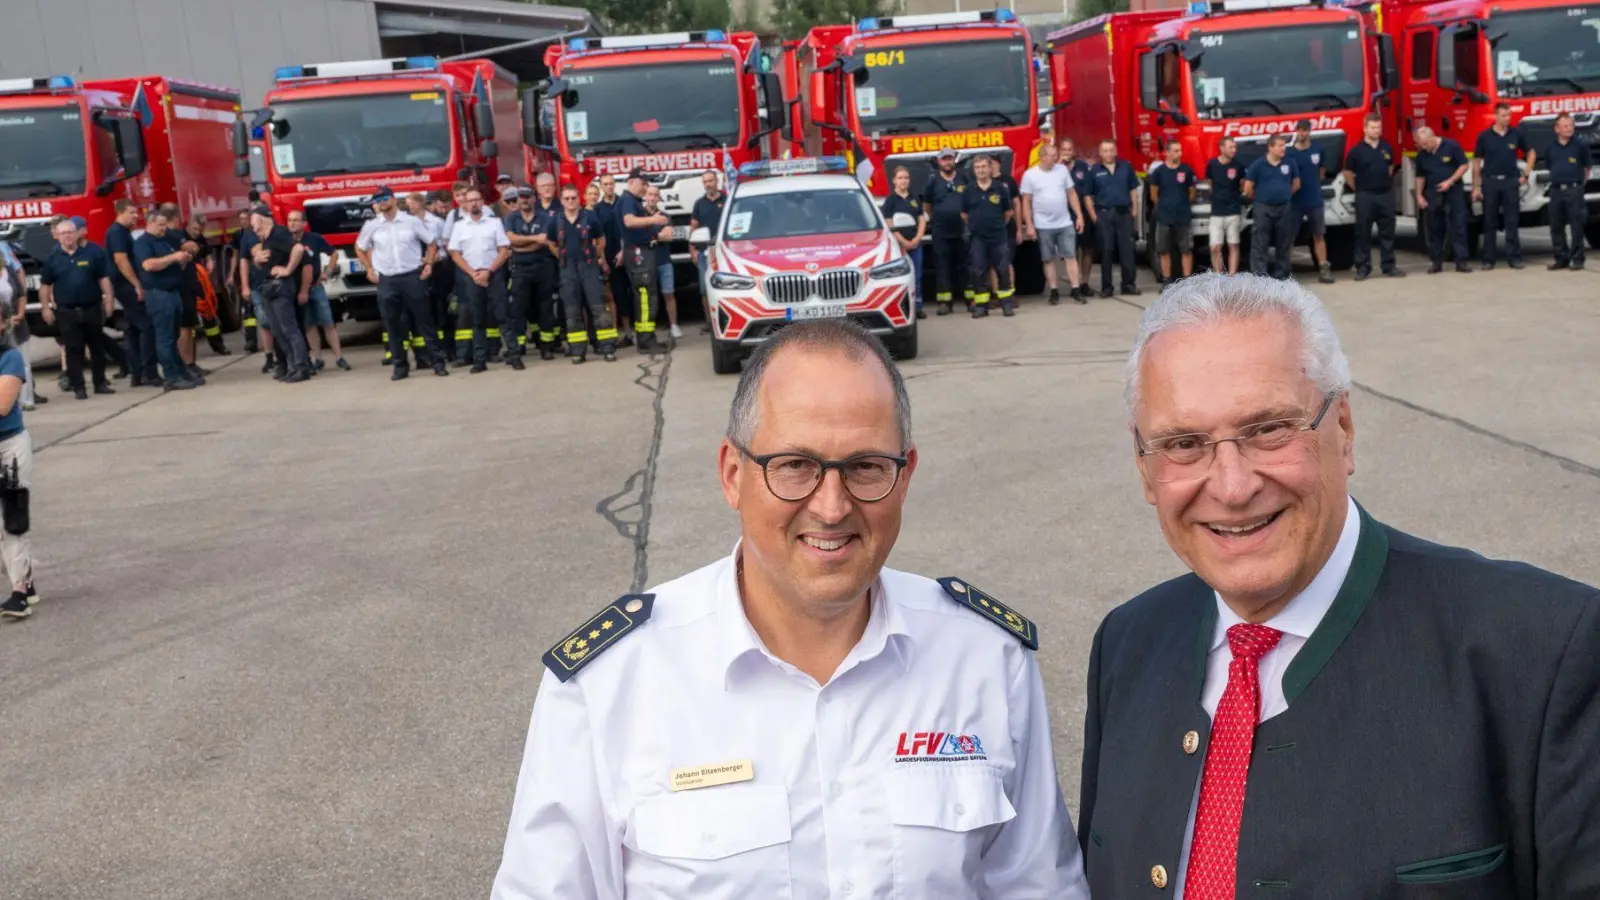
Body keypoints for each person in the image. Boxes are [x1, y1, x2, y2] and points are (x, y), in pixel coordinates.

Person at [490, 319, 1089, 899]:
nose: (831, 507)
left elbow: (1039, 886)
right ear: (732, 475)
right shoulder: (609, 687)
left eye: (865, 467)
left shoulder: (985, 660)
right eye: (795, 466)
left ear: (904, 479)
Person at [1078, 271, 1600, 898]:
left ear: (1344, 430)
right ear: (1144, 467)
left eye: (1269, 429)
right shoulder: (1128, 645)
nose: (1233, 484)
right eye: (1184, 444)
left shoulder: (1542, 650)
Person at [355, 186, 447, 381]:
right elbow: (360, 248)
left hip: (412, 276)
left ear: (394, 200)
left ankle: (438, 362)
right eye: (378, 199)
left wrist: (429, 263)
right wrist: (369, 269)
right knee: (393, 323)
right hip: (387, 279)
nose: (382, 202)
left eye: (385, 198)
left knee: (425, 321)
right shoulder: (372, 225)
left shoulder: (411, 221)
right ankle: (400, 366)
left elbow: (432, 243)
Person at [38, 219, 116, 399]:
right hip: (67, 311)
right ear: (57, 236)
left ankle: (100, 382)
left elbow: (103, 278)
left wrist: (109, 300)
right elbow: (45, 285)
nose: (67, 236)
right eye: (63, 233)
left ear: (77, 234)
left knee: (97, 347)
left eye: (70, 233)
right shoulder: (52, 259)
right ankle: (79, 386)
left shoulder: (91, 253)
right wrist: (45, 308)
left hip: (92, 308)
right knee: (74, 349)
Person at [546, 182, 617, 363]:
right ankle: (578, 350)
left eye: (574, 198)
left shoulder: (590, 218)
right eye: (567, 198)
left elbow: (601, 240)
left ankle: (607, 346)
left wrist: (596, 256)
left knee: (599, 307)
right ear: (561, 201)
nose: (570, 201)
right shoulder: (555, 220)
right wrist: (562, 256)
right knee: (572, 310)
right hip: (567, 270)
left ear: (579, 199)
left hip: (589, 267)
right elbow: (551, 243)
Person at [133, 209, 202, 391]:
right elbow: (148, 264)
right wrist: (173, 258)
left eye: (165, 224)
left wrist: (183, 259)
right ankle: (171, 376)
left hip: (173, 292)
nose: (164, 229)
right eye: (161, 225)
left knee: (174, 336)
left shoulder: (165, 240)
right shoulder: (143, 243)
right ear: (150, 223)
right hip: (158, 294)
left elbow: (174, 258)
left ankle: (180, 371)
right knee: (164, 338)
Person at [448, 188, 513, 373]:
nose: (473, 204)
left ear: (482, 202)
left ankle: (514, 356)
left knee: (502, 316)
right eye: (469, 201)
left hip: (493, 275)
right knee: (477, 321)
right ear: (465, 204)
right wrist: (473, 273)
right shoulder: (459, 226)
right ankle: (479, 361)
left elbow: (504, 250)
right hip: (472, 278)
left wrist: (488, 271)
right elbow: (455, 254)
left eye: (476, 200)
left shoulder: (494, 223)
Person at [0, 322, 39, 620]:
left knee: (12, 518)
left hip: (9, 446)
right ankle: (26, 577)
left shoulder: (9, 358)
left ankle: (19, 593)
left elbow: (2, 404)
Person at [1341, 113, 1405, 281]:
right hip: (1365, 196)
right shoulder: (1356, 151)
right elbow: (1348, 172)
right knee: (1363, 233)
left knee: (1388, 231)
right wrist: (1358, 188)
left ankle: (1389, 266)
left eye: (1378, 128)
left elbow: (1391, 167)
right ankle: (1363, 267)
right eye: (1373, 127)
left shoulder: (1386, 147)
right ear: (1365, 129)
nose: (1376, 131)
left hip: (1385, 194)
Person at [1019, 142, 1085, 304]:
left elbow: (1071, 193)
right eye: (1051, 155)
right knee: (1048, 259)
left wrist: (1079, 216)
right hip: (1043, 225)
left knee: (1070, 255)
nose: (1055, 158)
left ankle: (1076, 288)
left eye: (1055, 155)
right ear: (1042, 157)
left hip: (1064, 223)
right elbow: (1026, 202)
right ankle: (1054, 290)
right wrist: (1029, 224)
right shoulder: (1030, 175)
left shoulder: (1062, 170)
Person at [510, 174, 563, 359]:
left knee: (545, 308)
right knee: (519, 308)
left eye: (527, 197)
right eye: (521, 197)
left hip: (543, 267)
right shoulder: (512, 218)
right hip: (520, 270)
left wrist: (520, 246)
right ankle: (518, 348)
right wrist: (533, 240)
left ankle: (546, 347)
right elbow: (510, 240)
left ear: (534, 198)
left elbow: (545, 241)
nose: (524, 201)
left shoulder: (544, 217)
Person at [1472, 102, 1531, 270]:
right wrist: (1476, 186)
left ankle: (1514, 257)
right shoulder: (1484, 136)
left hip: (1510, 181)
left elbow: (1530, 152)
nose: (1507, 118)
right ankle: (1488, 259)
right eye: (1504, 115)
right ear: (1496, 116)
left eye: (1509, 115)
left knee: (1511, 220)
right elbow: (1477, 162)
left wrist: (1526, 173)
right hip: (1490, 182)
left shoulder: (1516, 134)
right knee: (1489, 221)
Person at [106, 200, 159, 387]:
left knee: (133, 329)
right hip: (126, 286)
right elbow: (121, 260)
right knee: (147, 325)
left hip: (125, 285)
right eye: (131, 212)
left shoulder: (123, 232)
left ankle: (136, 373)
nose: (136, 216)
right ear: (120, 212)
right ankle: (149, 371)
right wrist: (136, 284)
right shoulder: (116, 233)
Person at [288, 210, 347, 372]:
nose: (292, 223)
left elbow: (333, 253)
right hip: (299, 290)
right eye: (289, 220)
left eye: (295, 220)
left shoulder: (314, 238)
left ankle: (339, 357)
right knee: (309, 325)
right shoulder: (286, 240)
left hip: (316, 288)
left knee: (328, 323)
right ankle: (318, 359)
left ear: (304, 223)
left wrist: (328, 272)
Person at [618, 168, 670, 352]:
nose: (645, 187)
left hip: (643, 252)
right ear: (632, 181)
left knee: (647, 296)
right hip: (639, 254)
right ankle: (647, 340)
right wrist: (653, 220)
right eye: (643, 183)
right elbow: (629, 222)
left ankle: (646, 337)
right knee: (645, 297)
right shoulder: (627, 201)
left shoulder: (633, 201)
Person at [960, 156, 1015, 317]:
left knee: (1003, 270)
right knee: (978, 271)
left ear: (990, 169)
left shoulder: (1000, 188)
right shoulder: (968, 190)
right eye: (977, 167)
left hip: (998, 237)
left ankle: (1006, 304)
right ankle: (981, 306)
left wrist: (996, 226)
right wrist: (976, 226)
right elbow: (964, 214)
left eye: (984, 167)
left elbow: (1008, 212)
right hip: (978, 238)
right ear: (974, 170)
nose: (981, 170)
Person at [1085, 139, 1139, 298]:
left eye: (1111, 150)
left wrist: (1134, 209)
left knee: (1127, 250)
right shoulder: (1094, 171)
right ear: (1100, 153)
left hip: (1124, 213)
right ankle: (1107, 287)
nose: (1108, 153)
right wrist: (1094, 217)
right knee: (1106, 251)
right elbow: (1088, 196)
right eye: (1105, 151)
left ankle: (1128, 285)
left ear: (1116, 151)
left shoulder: (1126, 168)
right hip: (1104, 214)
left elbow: (1133, 190)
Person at [1412, 126, 1471, 274]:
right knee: (1434, 228)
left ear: (1433, 137)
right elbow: (1420, 176)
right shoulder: (1422, 156)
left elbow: (1464, 165)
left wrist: (1450, 181)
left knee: (1458, 225)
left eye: (1426, 144)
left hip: (1453, 191)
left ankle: (1461, 261)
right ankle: (1436, 262)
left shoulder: (1451, 146)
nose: (1424, 147)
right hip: (1433, 192)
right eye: (1421, 145)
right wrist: (1419, 195)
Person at [1284, 120, 1335, 284]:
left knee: (1319, 235)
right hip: (1295, 201)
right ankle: (1286, 271)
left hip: (1314, 199)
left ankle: (1324, 269)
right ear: (1296, 131)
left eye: (1305, 130)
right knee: (1290, 236)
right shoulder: (1289, 153)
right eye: (1300, 130)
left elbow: (1321, 171)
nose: (1302, 133)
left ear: (1310, 131)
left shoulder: (1318, 150)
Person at [922, 147, 970, 314]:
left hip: (962, 232)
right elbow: (927, 205)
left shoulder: (964, 178)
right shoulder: (933, 181)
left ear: (954, 160)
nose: (947, 162)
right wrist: (937, 218)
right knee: (942, 267)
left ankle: (969, 300)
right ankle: (945, 302)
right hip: (941, 232)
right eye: (944, 159)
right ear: (939, 161)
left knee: (965, 267)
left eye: (950, 158)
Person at [1243, 135, 1298, 280]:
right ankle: (1260, 276)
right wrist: (1261, 197)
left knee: (1284, 241)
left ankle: (1282, 275)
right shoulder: (1258, 165)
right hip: (1263, 208)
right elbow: (1248, 187)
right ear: (1270, 147)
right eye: (1280, 145)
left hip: (1284, 207)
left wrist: (1284, 194)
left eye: (1284, 145)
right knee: (1260, 241)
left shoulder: (1289, 163)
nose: (1283, 148)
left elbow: (1296, 184)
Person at [1542, 112, 1591, 271]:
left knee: (1576, 225)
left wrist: (1578, 185)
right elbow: (1550, 166)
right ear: (1557, 129)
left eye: (1571, 125)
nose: (1569, 128)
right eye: (1565, 126)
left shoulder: (1580, 145)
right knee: (1556, 225)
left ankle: (1577, 258)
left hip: (1574, 189)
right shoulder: (1550, 148)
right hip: (1556, 190)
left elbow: (1587, 167)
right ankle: (1561, 257)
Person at [881, 165, 929, 314]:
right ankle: (903, 308)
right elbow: (889, 223)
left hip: (915, 245)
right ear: (894, 181)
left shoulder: (914, 198)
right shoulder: (890, 201)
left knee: (917, 276)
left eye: (906, 178)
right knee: (900, 279)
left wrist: (917, 239)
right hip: (898, 247)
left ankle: (918, 307)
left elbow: (921, 219)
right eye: (900, 178)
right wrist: (903, 242)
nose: (904, 181)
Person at [1148, 140, 1196, 284]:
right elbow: (1153, 194)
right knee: (1163, 249)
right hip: (1164, 217)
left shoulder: (1186, 170)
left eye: (1180, 150)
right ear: (1167, 153)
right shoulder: (1159, 172)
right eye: (1175, 151)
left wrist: (1183, 204)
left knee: (1186, 249)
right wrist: (1164, 206)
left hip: (1183, 216)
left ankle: (1187, 279)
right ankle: (1167, 280)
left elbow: (1192, 192)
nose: (1179, 153)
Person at [596, 176, 633, 347]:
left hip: (627, 254)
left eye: (611, 184)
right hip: (608, 258)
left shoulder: (623, 203)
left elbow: (628, 229)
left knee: (629, 293)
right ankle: (616, 333)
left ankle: (630, 333)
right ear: (601, 187)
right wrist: (601, 258)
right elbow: (597, 236)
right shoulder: (597, 209)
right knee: (613, 296)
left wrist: (623, 251)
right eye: (605, 184)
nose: (609, 187)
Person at [644, 184, 681, 339]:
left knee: (669, 294)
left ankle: (674, 325)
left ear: (658, 197)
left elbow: (669, 236)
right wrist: (658, 236)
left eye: (655, 195)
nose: (652, 197)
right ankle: (647, 329)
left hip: (664, 260)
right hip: (645, 261)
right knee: (647, 297)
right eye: (649, 194)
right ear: (645, 196)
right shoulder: (639, 215)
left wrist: (650, 237)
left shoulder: (665, 216)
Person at [691, 169, 727, 327]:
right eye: (705, 181)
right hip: (704, 252)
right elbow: (694, 227)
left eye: (711, 180)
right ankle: (709, 322)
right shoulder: (699, 204)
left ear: (717, 181)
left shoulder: (727, 199)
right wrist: (692, 250)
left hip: (725, 251)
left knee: (725, 286)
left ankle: (725, 318)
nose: (708, 184)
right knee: (704, 289)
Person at [1204, 137, 1244, 275]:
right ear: (1221, 148)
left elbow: (1242, 185)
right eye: (1230, 147)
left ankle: (1232, 275)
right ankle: (1219, 275)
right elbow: (1209, 183)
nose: (1234, 150)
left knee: (1233, 244)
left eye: (1235, 147)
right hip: (1216, 211)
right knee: (1215, 246)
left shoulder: (1238, 166)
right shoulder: (1212, 165)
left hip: (1233, 211)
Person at [1062, 138, 1095, 297]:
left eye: (1070, 149)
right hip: (1065, 215)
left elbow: (1089, 189)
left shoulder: (1083, 167)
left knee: (1087, 248)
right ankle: (1075, 282)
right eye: (1064, 149)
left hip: (1083, 213)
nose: (1067, 153)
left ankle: (1085, 282)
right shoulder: (1057, 168)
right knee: (1071, 250)